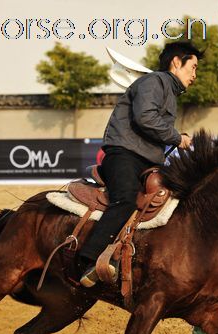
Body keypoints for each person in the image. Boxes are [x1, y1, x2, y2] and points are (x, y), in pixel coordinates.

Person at [79, 41, 203, 287]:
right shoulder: (154, 82)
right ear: (176, 62)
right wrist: (177, 138)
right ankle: (87, 260)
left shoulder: (166, 88)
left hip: (143, 160)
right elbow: (145, 117)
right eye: (194, 67)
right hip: (124, 155)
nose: (195, 75)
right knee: (125, 199)